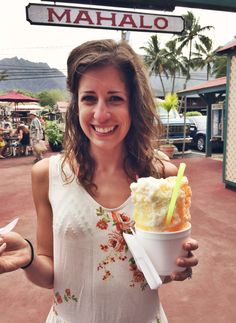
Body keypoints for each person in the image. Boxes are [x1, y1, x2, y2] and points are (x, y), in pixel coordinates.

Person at [0, 39, 198, 323]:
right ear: (75, 105)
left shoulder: (162, 178)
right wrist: (29, 256)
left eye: (115, 98)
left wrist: (176, 267)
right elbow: (50, 274)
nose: (101, 114)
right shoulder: (47, 174)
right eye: (89, 98)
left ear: (133, 104)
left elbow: (158, 276)